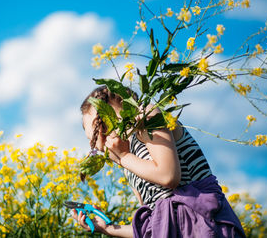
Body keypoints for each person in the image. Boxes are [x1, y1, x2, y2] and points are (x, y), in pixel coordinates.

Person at [72, 85, 246, 238]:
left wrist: (124, 158)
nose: (95, 146)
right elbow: (155, 224)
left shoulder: (146, 117)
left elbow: (169, 175)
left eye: (95, 134)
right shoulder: (129, 165)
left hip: (205, 227)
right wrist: (108, 228)